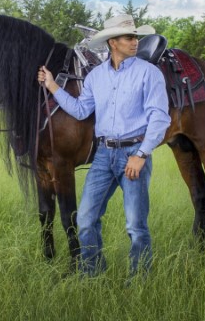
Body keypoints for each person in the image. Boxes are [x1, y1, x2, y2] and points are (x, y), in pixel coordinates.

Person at [37, 14, 171, 278]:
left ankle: (140, 279)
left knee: (135, 225)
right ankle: (92, 272)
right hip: (103, 155)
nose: (135, 42)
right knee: (85, 220)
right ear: (112, 42)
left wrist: (142, 154)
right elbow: (80, 109)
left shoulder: (149, 73)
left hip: (134, 154)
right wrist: (52, 85)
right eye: (128, 37)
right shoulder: (96, 77)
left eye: (135, 37)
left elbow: (160, 117)